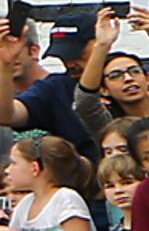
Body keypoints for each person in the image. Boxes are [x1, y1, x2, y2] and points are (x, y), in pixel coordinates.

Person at [0, 134, 98, 231]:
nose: (7, 170)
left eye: (14, 163)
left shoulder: (66, 198)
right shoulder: (25, 204)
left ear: (34, 168)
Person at [0, 17, 93, 151]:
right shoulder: (55, 88)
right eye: (63, 57)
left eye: (78, 55)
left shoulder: (57, 89)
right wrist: (5, 66)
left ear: (33, 51)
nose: (70, 64)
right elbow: (5, 116)